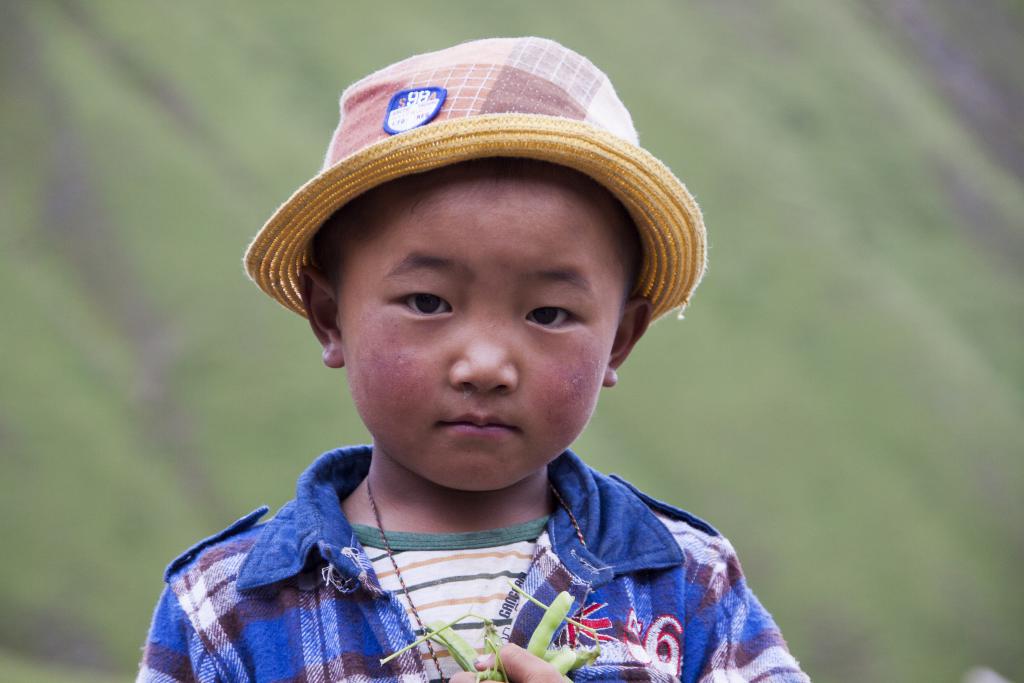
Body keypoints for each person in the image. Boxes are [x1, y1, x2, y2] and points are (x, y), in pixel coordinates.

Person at [138, 37, 809, 683]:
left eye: (548, 313)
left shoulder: (688, 584)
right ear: (327, 314)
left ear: (621, 339)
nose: (485, 364)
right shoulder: (223, 609)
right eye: (428, 301)